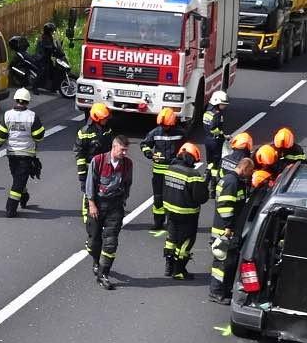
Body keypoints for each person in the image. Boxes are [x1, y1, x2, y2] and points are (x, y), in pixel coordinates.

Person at [83, 134, 133, 290]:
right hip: (97, 205)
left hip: (115, 206)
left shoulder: (127, 164)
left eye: (126, 150)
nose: (125, 153)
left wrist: (123, 200)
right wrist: (92, 204)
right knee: (94, 241)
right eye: (122, 150)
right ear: (114, 147)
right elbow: (90, 184)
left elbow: (127, 183)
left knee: (111, 242)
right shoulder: (97, 161)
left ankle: (103, 274)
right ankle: (96, 261)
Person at [161, 142, 211, 280]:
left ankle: (168, 266)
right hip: (186, 214)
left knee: (171, 238)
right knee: (185, 242)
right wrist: (204, 184)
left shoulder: (170, 168)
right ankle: (179, 271)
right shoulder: (193, 174)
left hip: (169, 211)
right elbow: (202, 198)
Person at [209, 157, 257, 303]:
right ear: (245, 168)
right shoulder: (232, 182)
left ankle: (223, 290)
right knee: (222, 263)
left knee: (228, 262)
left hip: (228, 228)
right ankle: (216, 292)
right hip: (225, 230)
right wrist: (228, 227)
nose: (250, 175)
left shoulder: (233, 180)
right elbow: (225, 206)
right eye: (250, 171)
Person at [0, 87, 47, 216]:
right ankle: (11, 209)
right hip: (26, 154)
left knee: (17, 179)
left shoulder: (7, 115)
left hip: (11, 154)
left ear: (15, 100)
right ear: (27, 101)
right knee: (18, 182)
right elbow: (38, 136)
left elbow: (1, 134)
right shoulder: (32, 116)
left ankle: (16, 203)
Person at [143, 107, 185, 236]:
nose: (164, 127)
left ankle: (172, 222)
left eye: (166, 125)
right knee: (158, 197)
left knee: (174, 199)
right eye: (162, 125)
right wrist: (150, 154)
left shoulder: (181, 133)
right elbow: (145, 145)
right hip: (159, 172)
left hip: (174, 171)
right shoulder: (155, 132)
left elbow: (185, 148)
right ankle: (158, 222)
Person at [75, 102, 114, 189]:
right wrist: (82, 176)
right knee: (89, 196)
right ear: (97, 118)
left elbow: (111, 148)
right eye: (104, 118)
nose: (106, 120)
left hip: (105, 168)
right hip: (90, 169)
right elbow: (79, 155)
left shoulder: (107, 129)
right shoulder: (84, 132)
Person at [201, 90, 230, 176]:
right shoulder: (217, 114)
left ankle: (206, 175)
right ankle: (213, 182)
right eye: (223, 104)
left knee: (209, 161)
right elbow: (214, 128)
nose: (224, 106)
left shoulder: (207, 112)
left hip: (207, 140)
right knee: (216, 162)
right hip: (215, 142)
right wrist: (224, 136)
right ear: (217, 102)